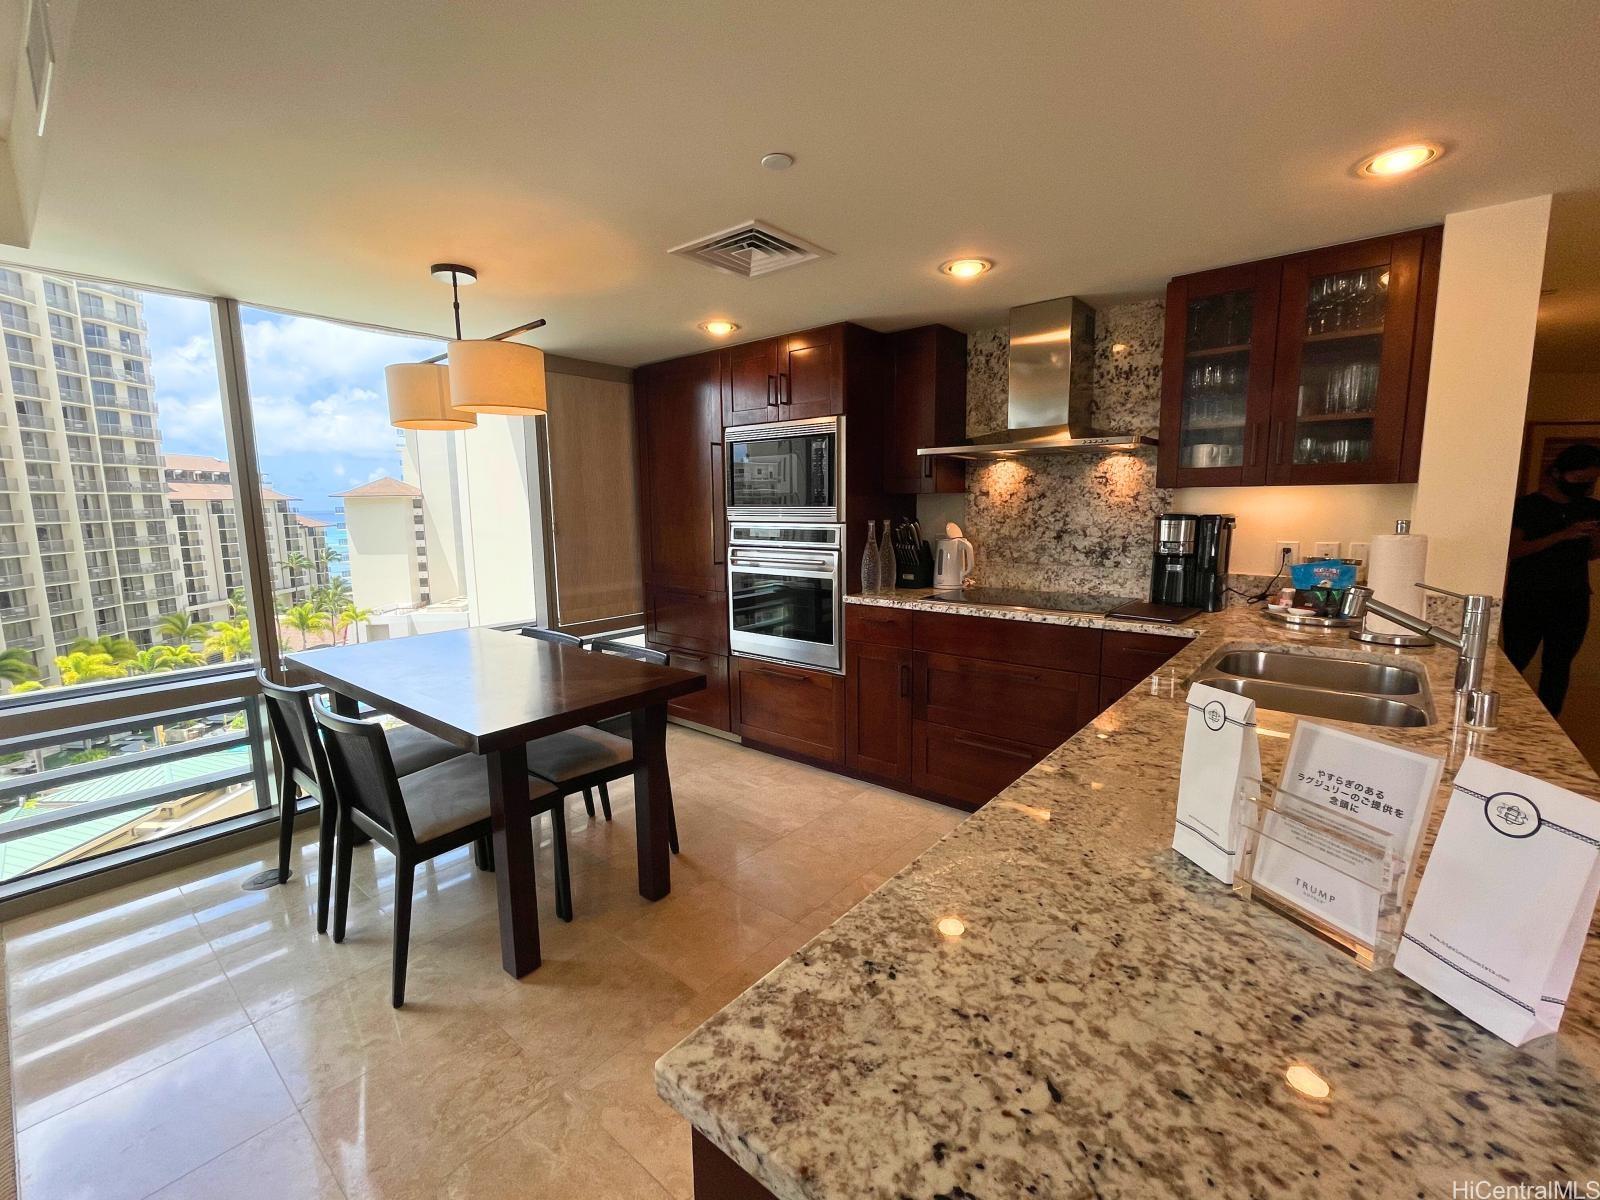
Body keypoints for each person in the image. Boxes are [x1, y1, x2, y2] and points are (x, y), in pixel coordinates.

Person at [1502, 442, 1600, 715]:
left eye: (1591, 480)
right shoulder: (1529, 506)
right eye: (1579, 479)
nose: (1585, 486)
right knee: (1514, 662)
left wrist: (1595, 537)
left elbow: (1592, 555)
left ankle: (1549, 722)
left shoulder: (1592, 508)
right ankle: (1504, 714)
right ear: (1557, 473)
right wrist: (1563, 535)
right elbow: (1513, 550)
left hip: (1572, 597)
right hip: (1528, 596)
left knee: (1558, 666)